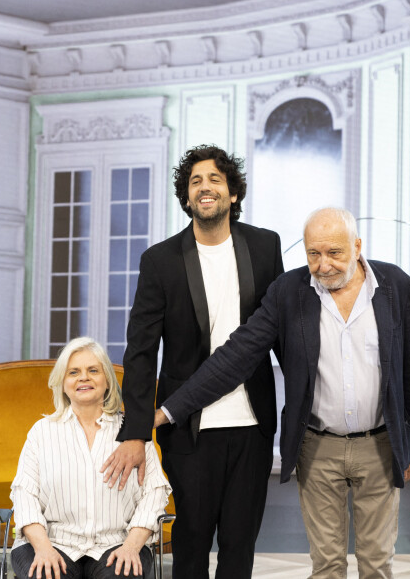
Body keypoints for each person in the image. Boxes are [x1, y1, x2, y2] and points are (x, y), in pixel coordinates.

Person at [155, 207, 410, 579]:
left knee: (377, 563)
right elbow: (236, 355)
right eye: (313, 254)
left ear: (357, 246)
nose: (323, 265)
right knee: (327, 564)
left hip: (379, 445)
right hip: (318, 447)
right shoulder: (288, 292)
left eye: (334, 253)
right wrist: (170, 410)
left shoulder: (396, 286)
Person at [101, 145, 284, 579]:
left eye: (215, 179)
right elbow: (141, 352)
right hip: (187, 428)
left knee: (240, 549)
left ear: (233, 193)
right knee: (191, 547)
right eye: (195, 181)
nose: (205, 188)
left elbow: (281, 333)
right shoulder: (159, 261)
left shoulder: (264, 246)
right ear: (186, 198)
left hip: (253, 425)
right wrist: (136, 430)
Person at [10, 337, 171, 579]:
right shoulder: (41, 432)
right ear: (62, 383)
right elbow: (25, 495)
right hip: (52, 541)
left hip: (118, 543)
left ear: (107, 380)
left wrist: (132, 546)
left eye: (93, 370)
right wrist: (43, 549)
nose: (83, 378)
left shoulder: (133, 431)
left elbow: (154, 492)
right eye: (73, 372)